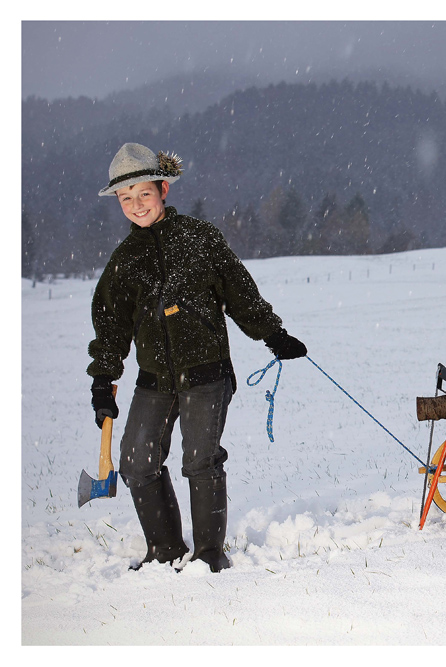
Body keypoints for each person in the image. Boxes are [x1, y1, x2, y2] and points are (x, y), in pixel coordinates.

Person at [87, 142, 307, 572]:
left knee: (200, 461)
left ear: (163, 188)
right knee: (135, 462)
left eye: (144, 194)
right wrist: (102, 382)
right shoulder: (124, 262)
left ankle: (209, 554)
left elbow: (240, 293)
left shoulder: (200, 238)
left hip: (206, 375)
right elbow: (111, 329)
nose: (136, 205)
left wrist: (273, 334)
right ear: (118, 201)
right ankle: (165, 551)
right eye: (126, 198)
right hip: (154, 381)